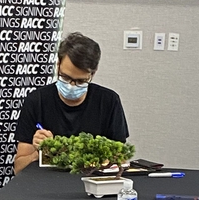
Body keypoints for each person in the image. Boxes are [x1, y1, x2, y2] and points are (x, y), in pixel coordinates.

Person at [13, 32, 129, 174]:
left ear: (92, 74)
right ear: (58, 65)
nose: (71, 85)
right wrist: (40, 153)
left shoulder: (109, 102)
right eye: (66, 77)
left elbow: (120, 162)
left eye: (80, 81)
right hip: (46, 185)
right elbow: (18, 169)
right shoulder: (37, 101)